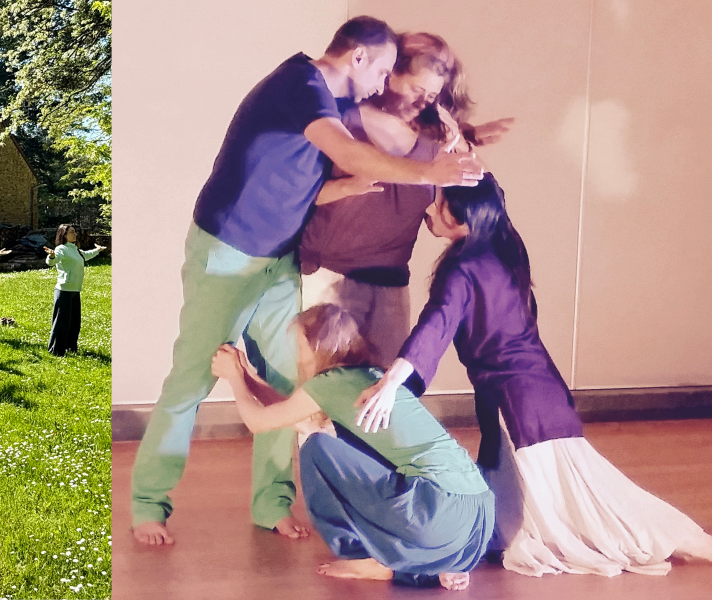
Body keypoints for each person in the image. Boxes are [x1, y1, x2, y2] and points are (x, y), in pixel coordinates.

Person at [128, 15, 484, 547]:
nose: (384, 83)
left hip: (276, 258)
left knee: (290, 382)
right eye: (383, 69)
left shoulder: (337, 104)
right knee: (192, 380)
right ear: (358, 57)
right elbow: (345, 151)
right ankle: (147, 505)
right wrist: (428, 172)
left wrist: (439, 136)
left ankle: (271, 503)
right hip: (227, 251)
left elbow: (318, 185)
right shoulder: (299, 85)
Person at [357, 174, 712, 576]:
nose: (430, 210)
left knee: (586, 505)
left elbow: (435, 325)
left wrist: (391, 382)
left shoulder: (464, 267)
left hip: (517, 397)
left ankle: (672, 536)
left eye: (440, 203)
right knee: (565, 495)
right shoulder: (504, 247)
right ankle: (670, 536)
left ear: (465, 213)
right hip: (537, 388)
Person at [211, 304, 490, 590]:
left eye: (299, 345)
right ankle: (423, 567)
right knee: (332, 440)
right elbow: (293, 413)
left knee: (316, 447)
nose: (297, 354)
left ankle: (362, 553)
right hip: (474, 525)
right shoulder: (366, 376)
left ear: (317, 346)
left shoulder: (327, 383)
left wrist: (233, 379)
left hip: (435, 512)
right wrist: (247, 376)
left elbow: (257, 422)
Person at [299, 32, 513, 363]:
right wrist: (347, 187)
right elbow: (301, 196)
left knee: (385, 393)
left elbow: (474, 202)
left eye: (431, 95)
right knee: (324, 390)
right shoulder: (343, 120)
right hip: (332, 278)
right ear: (390, 74)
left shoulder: (435, 137)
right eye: (416, 89)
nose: (422, 102)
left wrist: (464, 145)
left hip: (392, 282)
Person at [43, 224, 99, 355]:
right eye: (72, 232)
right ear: (64, 235)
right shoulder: (61, 249)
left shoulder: (75, 249)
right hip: (64, 291)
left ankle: (70, 348)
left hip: (75, 290)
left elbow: (85, 255)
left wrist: (98, 250)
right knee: (61, 323)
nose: (75, 234)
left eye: (75, 232)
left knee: (74, 323)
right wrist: (51, 256)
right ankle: (56, 351)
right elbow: (53, 261)